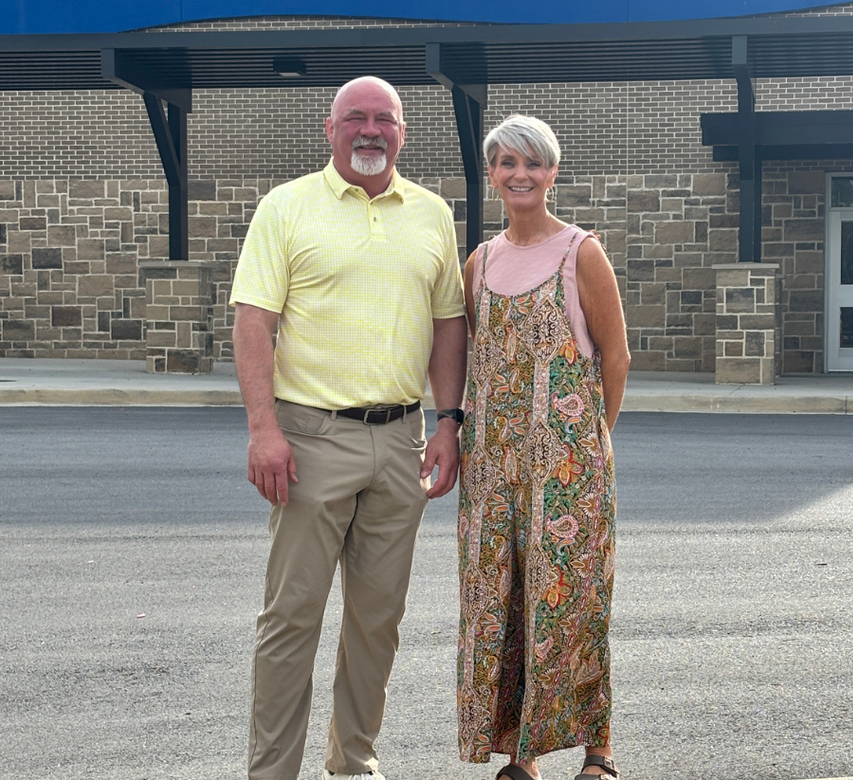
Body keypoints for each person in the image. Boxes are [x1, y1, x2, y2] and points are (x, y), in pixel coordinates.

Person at [230, 75, 467, 780]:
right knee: (291, 619)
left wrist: (448, 420)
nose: (371, 131)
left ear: (403, 133)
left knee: (377, 622)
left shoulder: (431, 215)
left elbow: (448, 325)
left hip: (402, 441)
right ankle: (272, 773)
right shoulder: (287, 208)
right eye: (355, 118)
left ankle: (353, 762)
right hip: (309, 439)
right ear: (329, 129)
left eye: (385, 120)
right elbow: (253, 322)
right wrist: (262, 428)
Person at [457, 115, 629, 780]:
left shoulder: (580, 252)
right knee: (501, 609)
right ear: (493, 173)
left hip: (570, 470)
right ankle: (519, 755)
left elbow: (616, 357)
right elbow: (479, 359)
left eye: (534, 163)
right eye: (506, 163)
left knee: (573, 602)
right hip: (493, 470)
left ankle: (599, 747)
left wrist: (588, 440)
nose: (520, 174)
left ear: (553, 172)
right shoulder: (479, 262)